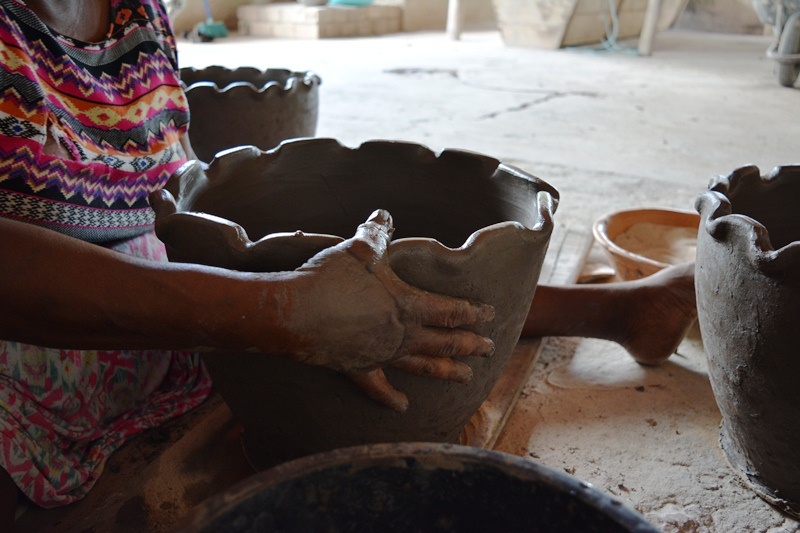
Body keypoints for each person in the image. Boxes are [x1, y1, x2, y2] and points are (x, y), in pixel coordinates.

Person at [0, 0, 699, 530]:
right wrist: (281, 312)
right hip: (34, 390)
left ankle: (619, 309)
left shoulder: (139, 12)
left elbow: (179, 198)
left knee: (367, 275)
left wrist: (294, 298)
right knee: (308, 293)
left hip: (181, 336)